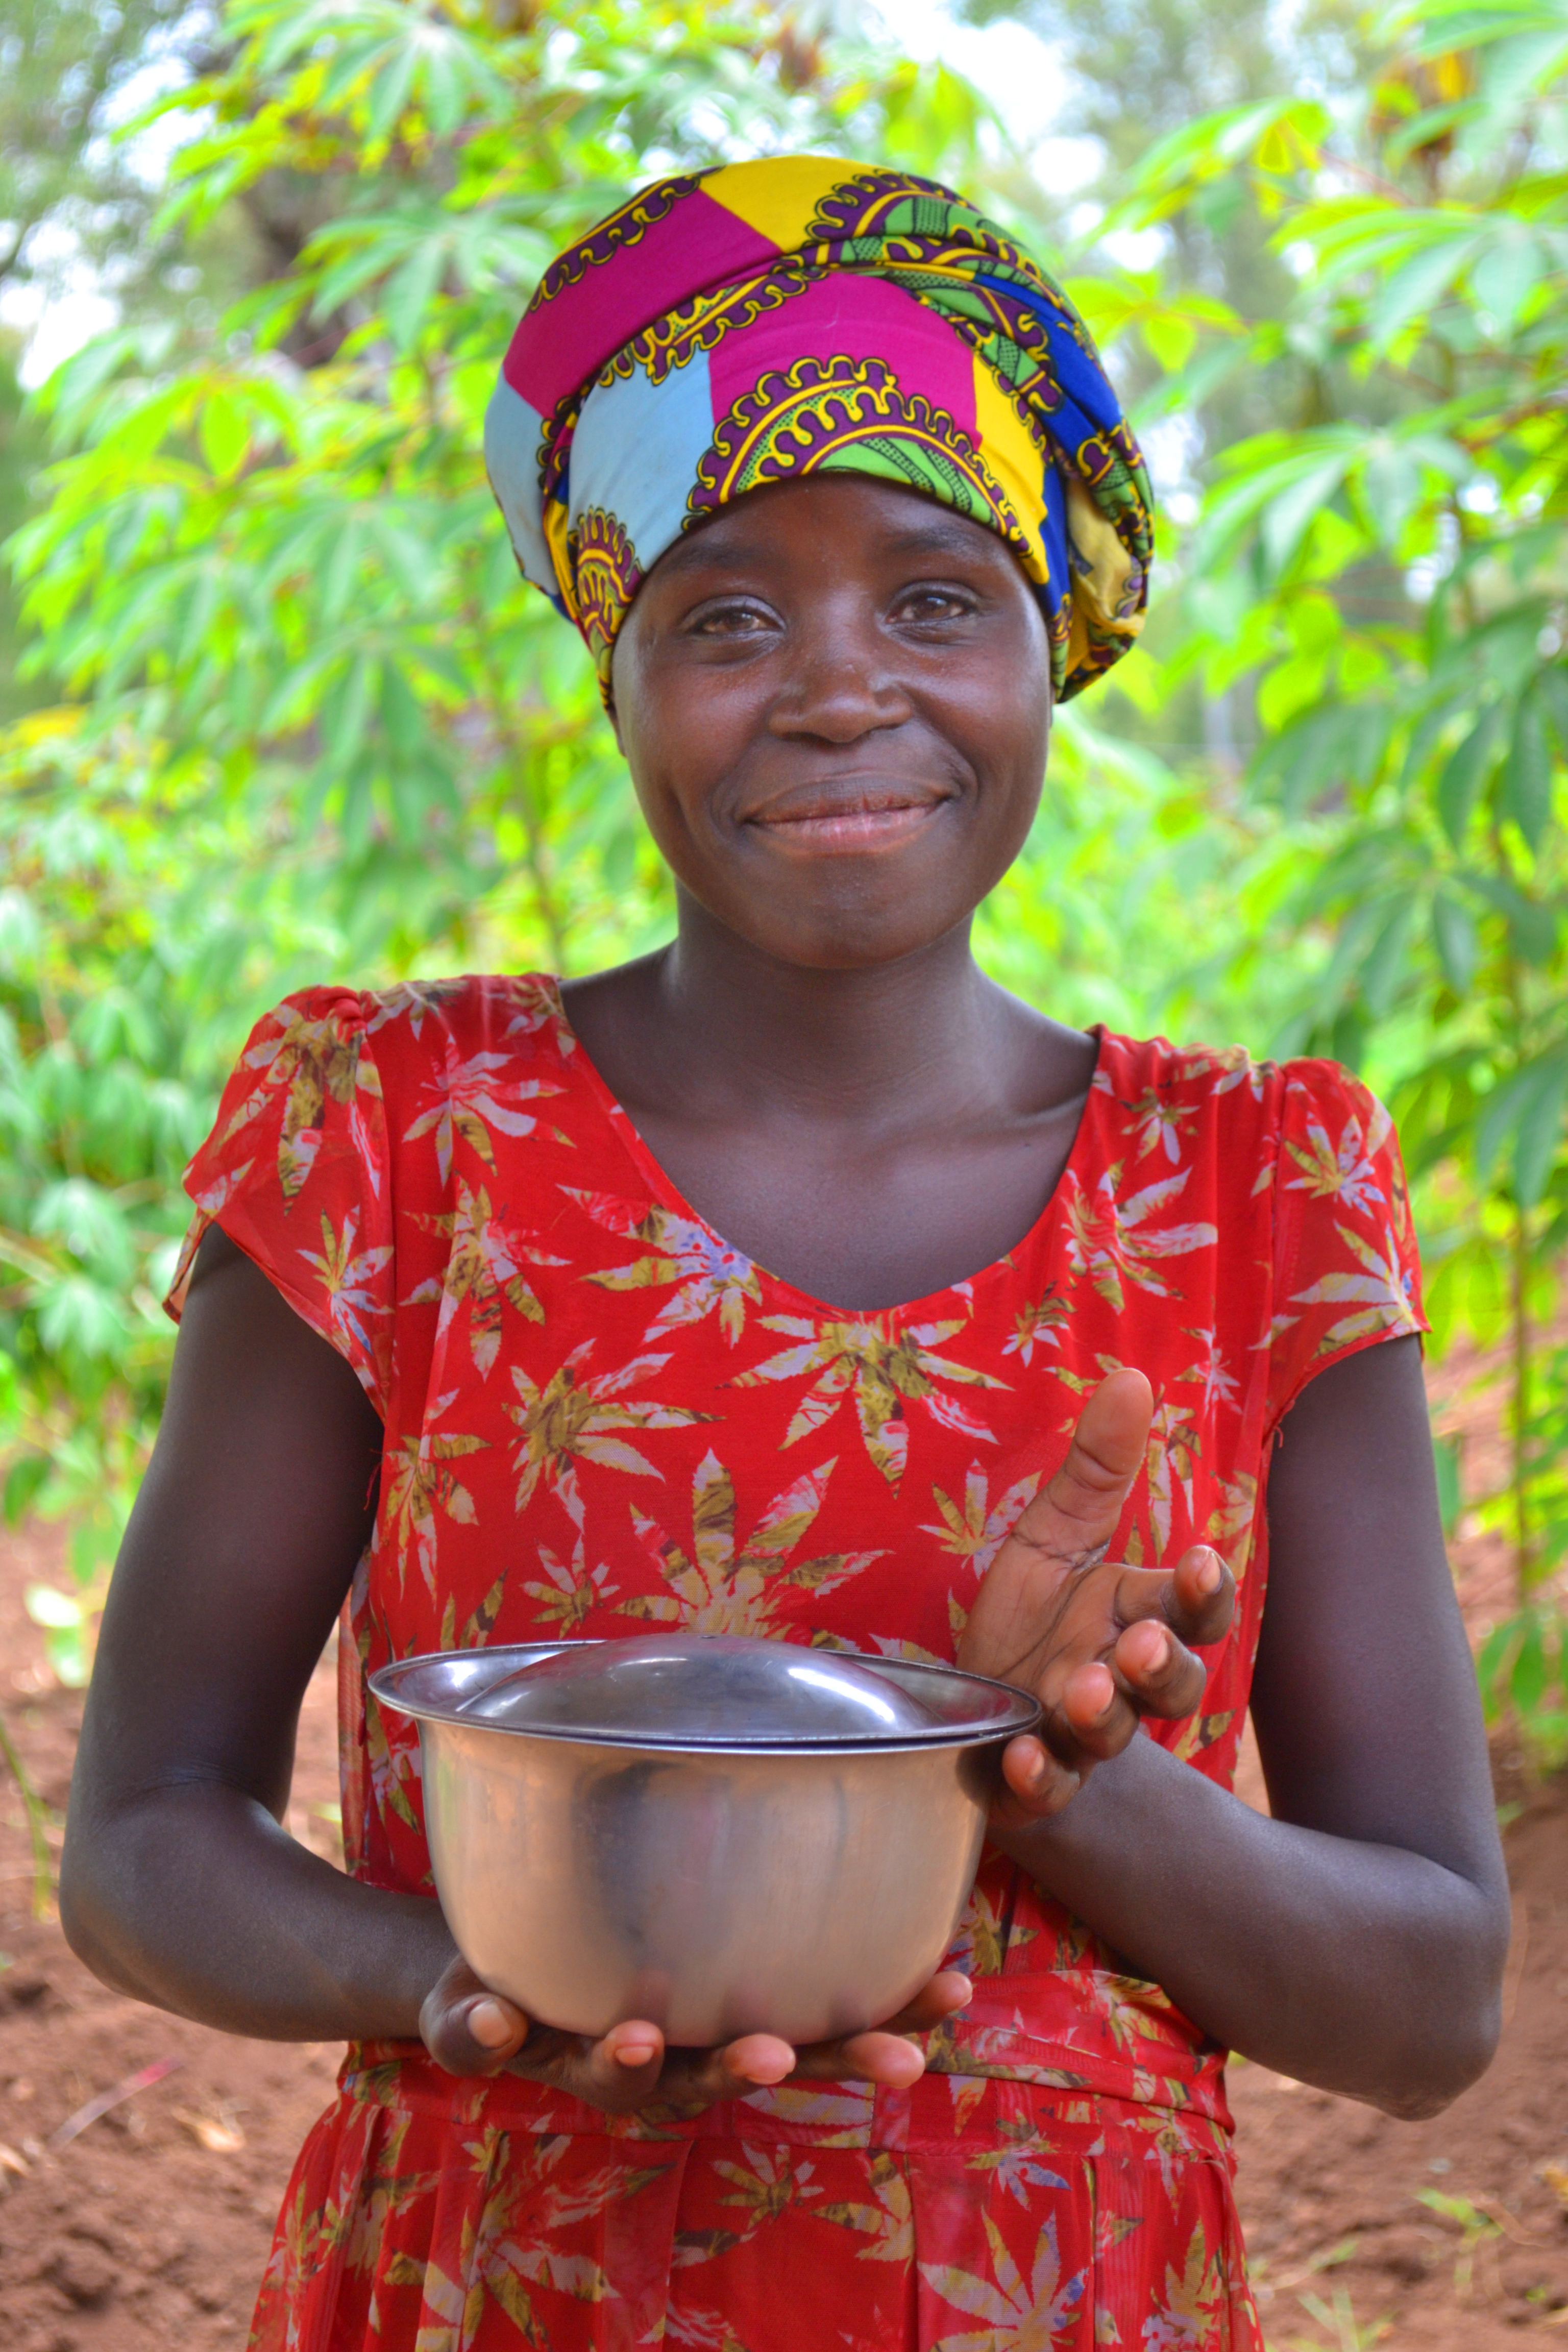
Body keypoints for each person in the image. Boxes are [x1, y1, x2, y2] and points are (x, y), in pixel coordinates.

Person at [60, 158, 1509, 2350]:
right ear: (614, 671)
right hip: (498, 2284)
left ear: (1053, 647)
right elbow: (148, 1832)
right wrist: (458, 1991)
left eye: (937, 597)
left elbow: (1427, 2005)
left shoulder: (1254, 1190)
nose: (839, 688)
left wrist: (1057, 1777)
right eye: (728, 615)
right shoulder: (398, 1138)